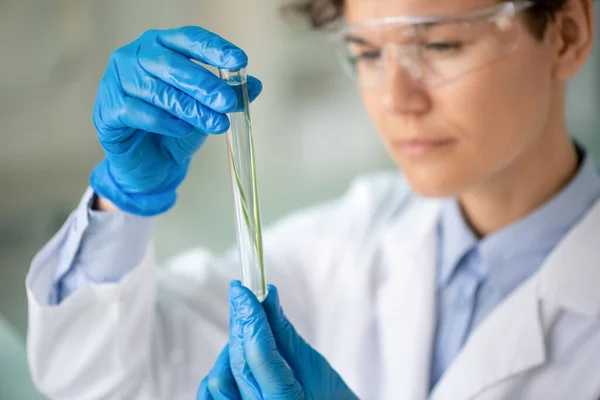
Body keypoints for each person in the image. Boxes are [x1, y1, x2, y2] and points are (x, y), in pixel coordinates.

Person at [25, 0, 600, 398]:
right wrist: (124, 201)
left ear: (568, 35)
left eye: (442, 44)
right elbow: (100, 380)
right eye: (369, 55)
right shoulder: (350, 242)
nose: (397, 99)